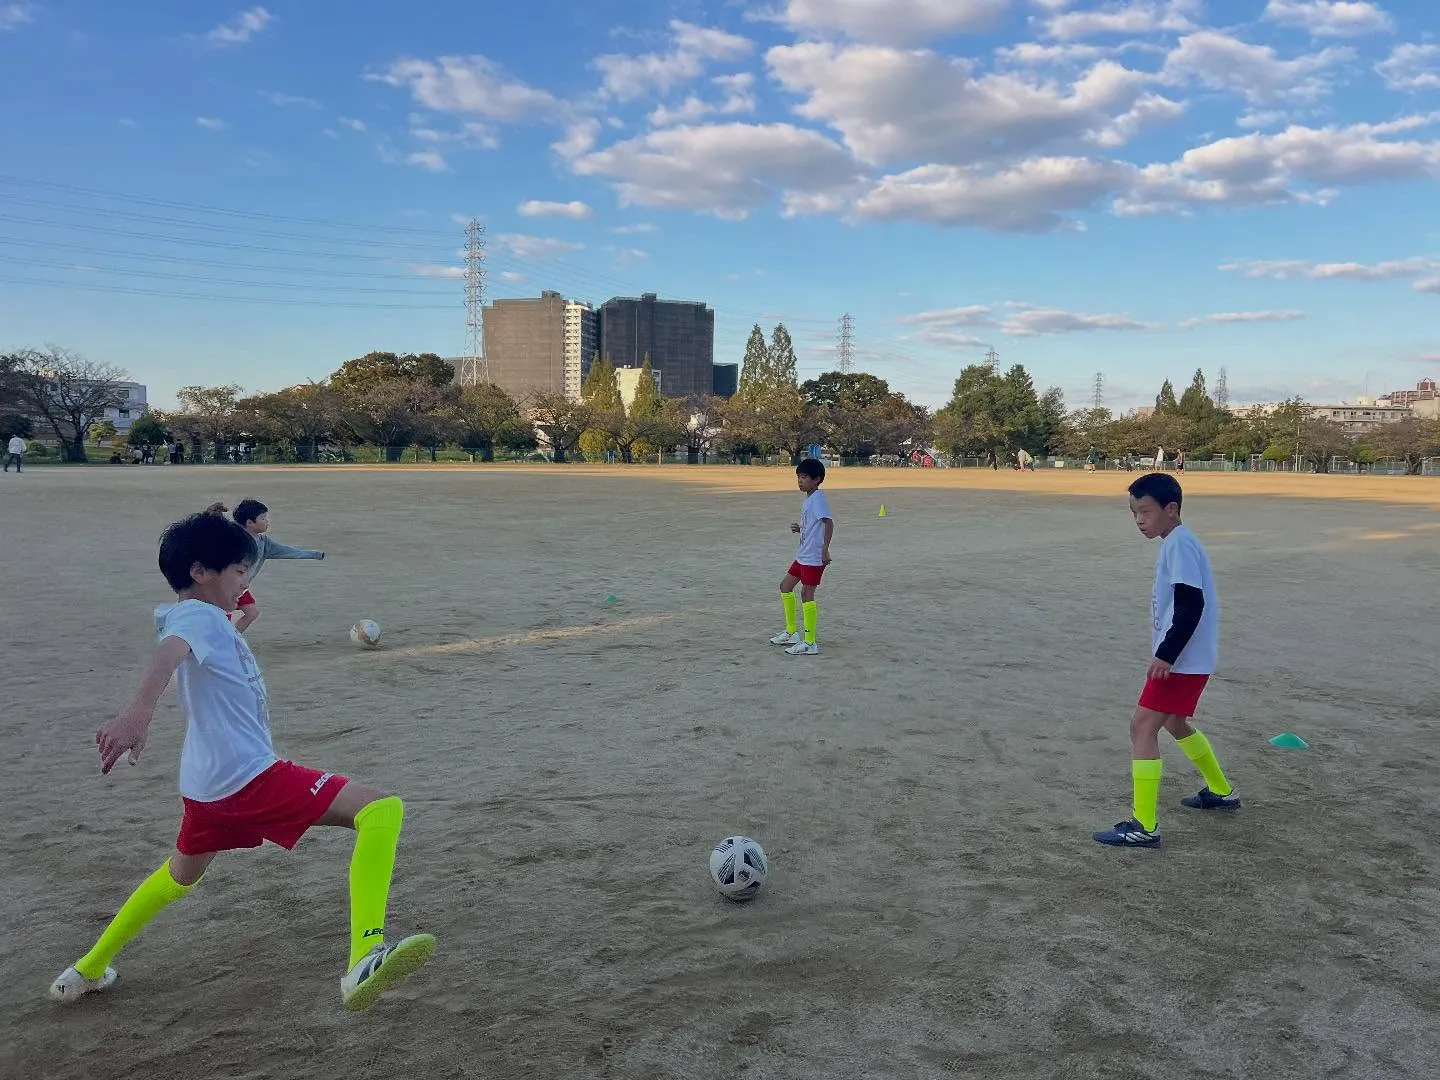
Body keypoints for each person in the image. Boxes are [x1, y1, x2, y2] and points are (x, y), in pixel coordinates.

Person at [48, 510, 434, 1009]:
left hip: (207, 788)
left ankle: (88, 968)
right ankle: (364, 957)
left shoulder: (205, 616)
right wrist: (136, 714)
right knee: (381, 810)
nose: (244, 581)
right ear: (199, 572)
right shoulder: (196, 615)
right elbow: (167, 653)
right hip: (247, 777)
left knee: (179, 875)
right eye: (236, 571)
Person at [1094, 472, 1239, 848]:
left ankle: (1144, 825)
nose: (1140, 520)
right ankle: (1221, 791)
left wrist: (1166, 654)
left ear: (1171, 509)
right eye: (1134, 513)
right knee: (1175, 723)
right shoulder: (1178, 542)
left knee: (1142, 727)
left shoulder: (1179, 545)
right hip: (1189, 659)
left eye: (1145, 511)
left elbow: (1191, 606)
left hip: (1182, 661)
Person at [206, 499, 325, 634]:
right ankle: (220, 641)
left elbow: (288, 551)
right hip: (222, 586)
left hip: (240, 586)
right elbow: (216, 531)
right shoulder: (233, 535)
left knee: (251, 613)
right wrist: (213, 515)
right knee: (221, 617)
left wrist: (316, 554)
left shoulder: (264, 543)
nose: (267, 521)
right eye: (263, 518)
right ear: (250, 523)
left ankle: (231, 639)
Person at [769, 458, 833, 656]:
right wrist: (801, 528)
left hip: (813, 556)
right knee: (785, 586)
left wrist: (824, 550)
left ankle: (810, 642)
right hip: (803, 554)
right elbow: (815, 525)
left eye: (804, 477)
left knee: (807, 594)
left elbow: (829, 523)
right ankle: (791, 632)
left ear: (817, 479)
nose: (800, 481)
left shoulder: (818, 499)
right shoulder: (810, 498)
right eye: (798, 477)